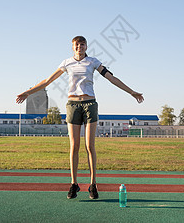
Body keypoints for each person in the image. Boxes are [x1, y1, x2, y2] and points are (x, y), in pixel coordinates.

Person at [16, 36, 144, 199]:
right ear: (72, 47)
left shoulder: (93, 61)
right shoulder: (66, 63)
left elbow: (111, 78)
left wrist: (131, 91)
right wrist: (28, 92)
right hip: (73, 105)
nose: (79, 47)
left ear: (86, 46)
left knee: (89, 146)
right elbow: (48, 80)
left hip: (90, 104)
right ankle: (74, 184)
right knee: (74, 146)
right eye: (76, 44)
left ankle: (93, 185)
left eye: (82, 44)